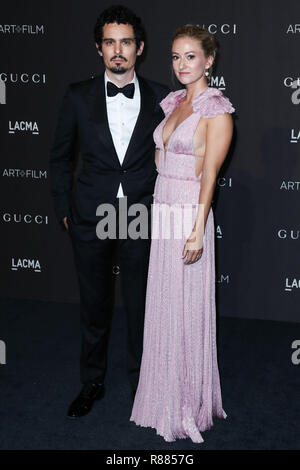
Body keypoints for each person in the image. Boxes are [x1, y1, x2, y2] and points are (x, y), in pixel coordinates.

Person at [49, 5, 169, 418]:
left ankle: (144, 384)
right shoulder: (77, 95)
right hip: (91, 211)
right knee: (94, 305)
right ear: (99, 49)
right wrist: (63, 205)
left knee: (141, 306)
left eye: (126, 42)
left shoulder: (162, 98)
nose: (118, 51)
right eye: (110, 42)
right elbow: (60, 156)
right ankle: (92, 381)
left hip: (139, 212)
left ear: (140, 48)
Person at [130, 24, 235, 443]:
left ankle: (187, 402)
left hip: (190, 211)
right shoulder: (173, 102)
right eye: (176, 56)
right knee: (164, 302)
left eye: (190, 56)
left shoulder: (217, 110)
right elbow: (161, 158)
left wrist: (197, 230)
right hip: (164, 207)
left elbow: (210, 176)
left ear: (209, 60)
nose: (181, 64)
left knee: (186, 305)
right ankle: (160, 396)